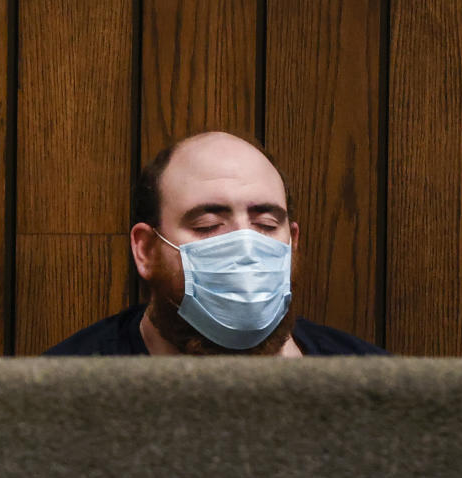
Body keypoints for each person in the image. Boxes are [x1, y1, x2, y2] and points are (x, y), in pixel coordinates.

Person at [45, 131, 387, 356]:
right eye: (208, 225)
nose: (246, 246)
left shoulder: (377, 390)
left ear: (293, 243)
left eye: (266, 224)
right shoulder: (62, 396)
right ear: (145, 250)